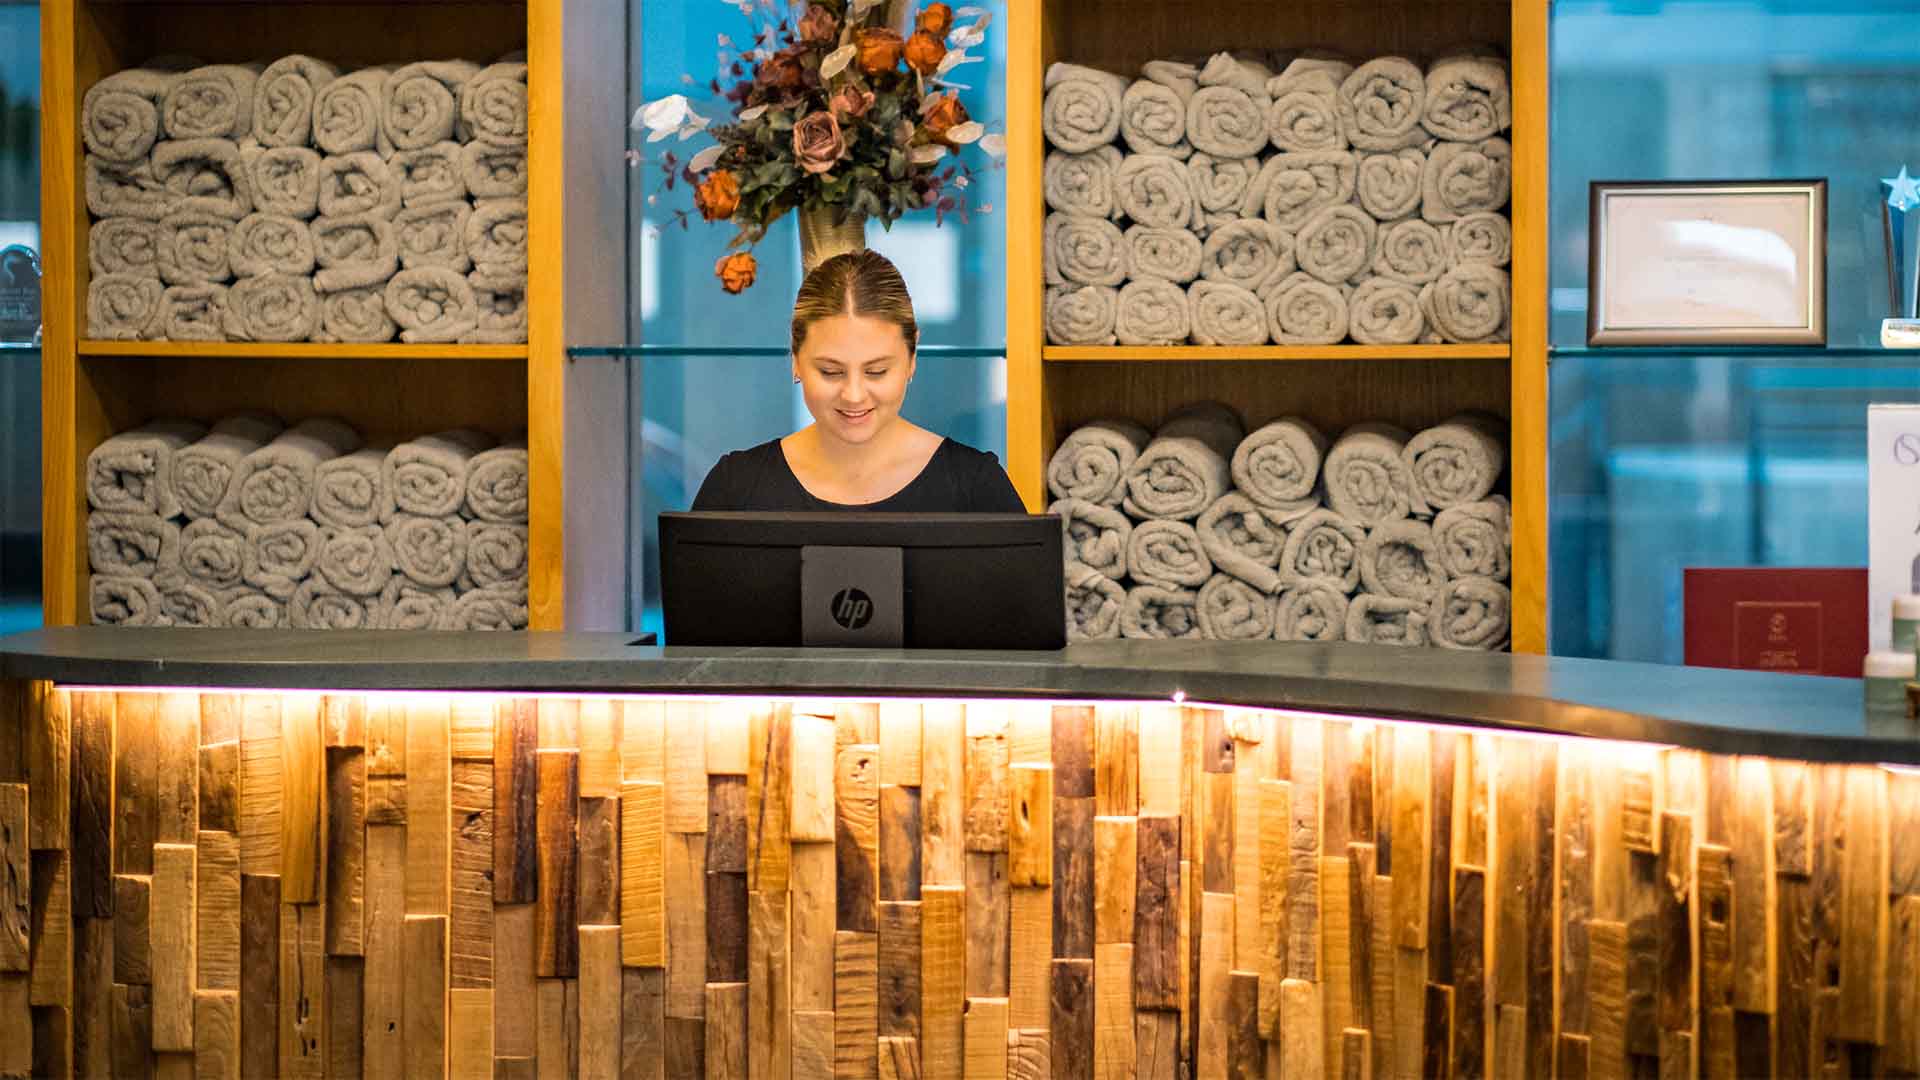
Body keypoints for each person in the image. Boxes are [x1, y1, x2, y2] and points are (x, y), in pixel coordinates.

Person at [691, 249, 1028, 513]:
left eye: (877, 371)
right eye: (831, 371)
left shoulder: (976, 488)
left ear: (912, 358)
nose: (853, 395)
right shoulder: (735, 489)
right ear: (795, 358)